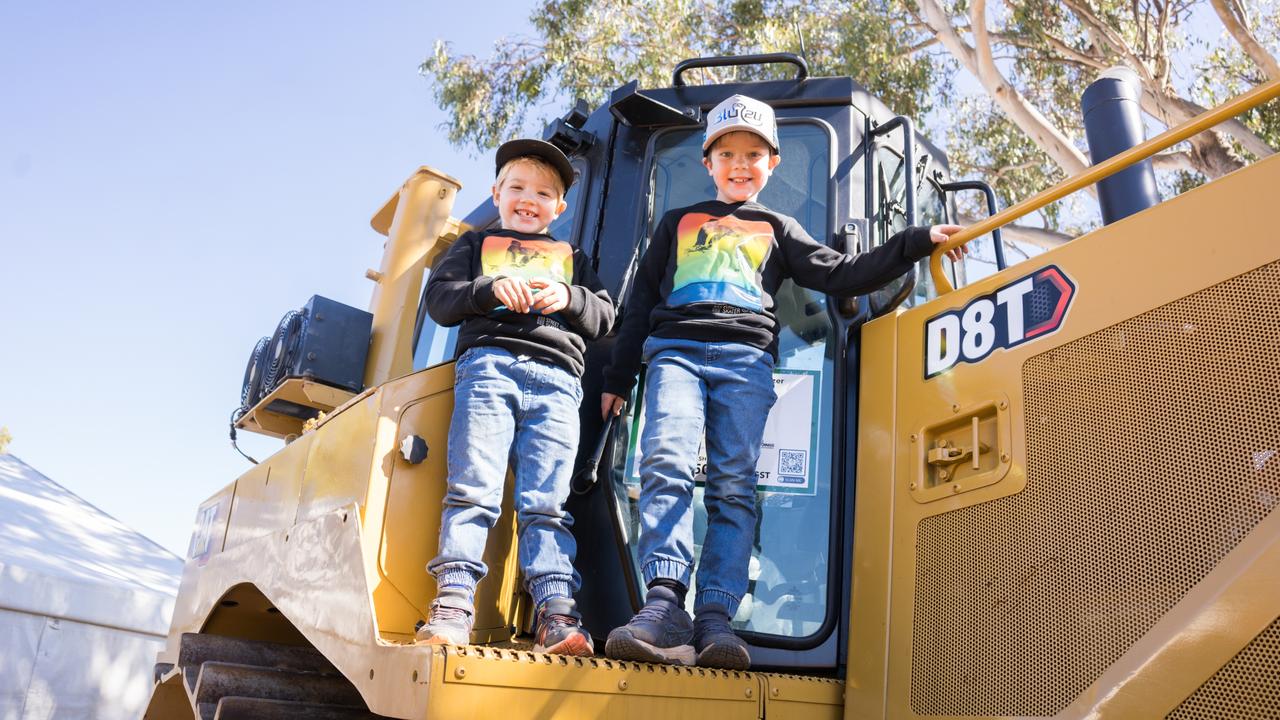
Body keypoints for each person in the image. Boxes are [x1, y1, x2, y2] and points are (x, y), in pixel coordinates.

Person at [599, 94, 968, 669]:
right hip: (676, 354)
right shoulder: (678, 223)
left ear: (772, 164)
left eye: (753, 154)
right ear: (708, 163)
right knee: (666, 462)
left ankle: (716, 616)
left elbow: (843, 272)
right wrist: (618, 377)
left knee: (733, 485)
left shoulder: (778, 228)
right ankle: (665, 602)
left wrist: (915, 242)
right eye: (727, 153)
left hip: (745, 363)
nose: (740, 164)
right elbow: (641, 301)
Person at [418, 138, 615, 657]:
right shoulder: (473, 247)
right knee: (473, 487)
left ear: (560, 207)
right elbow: (440, 300)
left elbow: (605, 317)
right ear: (497, 193)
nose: (530, 198)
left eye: (544, 192)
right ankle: (455, 604)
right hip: (489, 368)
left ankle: (555, 614)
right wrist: (486, 290)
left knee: (546, 503)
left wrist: (570, 298)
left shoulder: (574, 259)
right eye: (518, 187)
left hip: (558, 381)